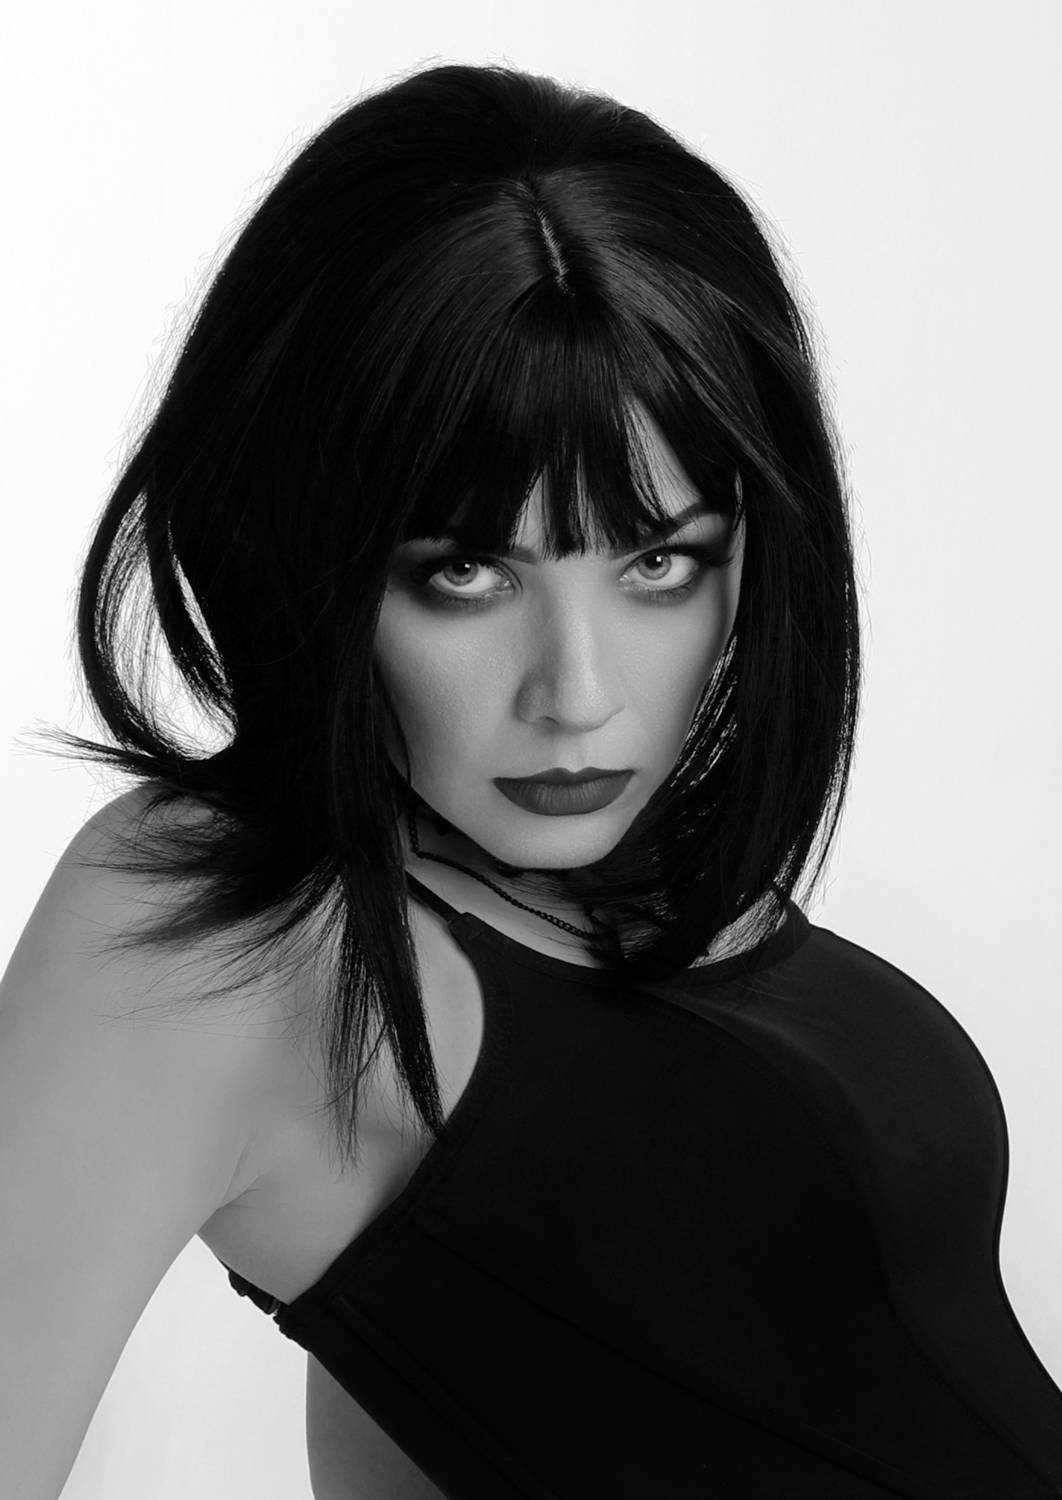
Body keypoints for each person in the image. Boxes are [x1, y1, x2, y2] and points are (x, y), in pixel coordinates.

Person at [2, 58, 1060, 1500]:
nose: (579, 695)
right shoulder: (219, 936)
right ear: (299, 551)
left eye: (658, 562)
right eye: (465, 573)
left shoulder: (595, 872)